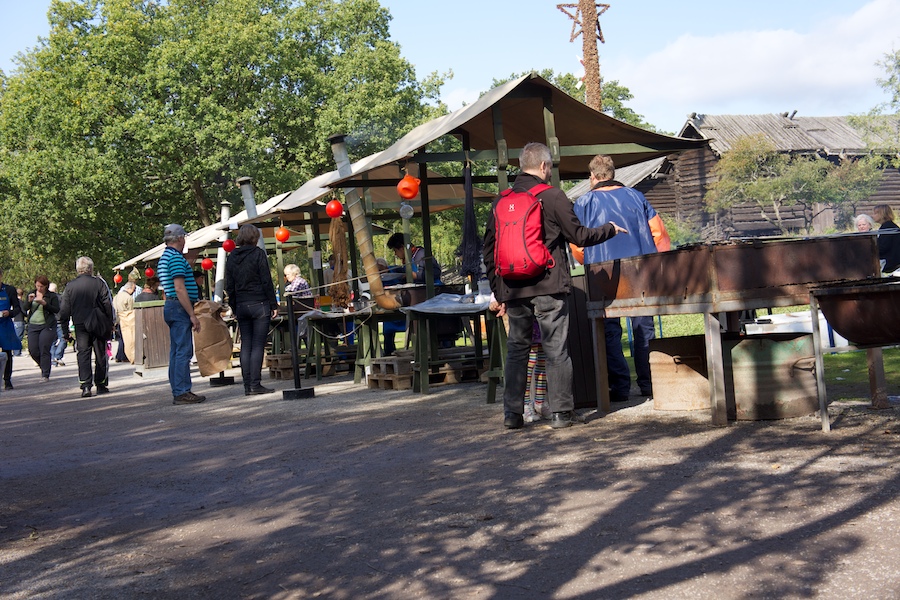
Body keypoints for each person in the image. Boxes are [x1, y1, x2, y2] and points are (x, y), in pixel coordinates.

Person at [483, 142, 624, 430]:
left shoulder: (501, 201)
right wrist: (609, 229)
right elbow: (579, 236)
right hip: (548, 285)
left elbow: (489, 250)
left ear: (522, 165)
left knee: (517, 350)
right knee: (555, 349)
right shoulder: (553, 196)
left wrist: (500, 293)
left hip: (513, 288)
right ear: (545, 166)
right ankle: (561, 413)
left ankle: (513, 415)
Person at [573, 154, 671, 402]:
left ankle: (620, 388)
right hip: (640, 272)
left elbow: (577, 246)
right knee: (644, 329)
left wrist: (589, 263)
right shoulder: (638, 197)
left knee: (609, 331)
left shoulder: (584, 203)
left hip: (602, 274)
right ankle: (649, 384)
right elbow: (659, 236)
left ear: (592, 177)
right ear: (613, 174)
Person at [225, 224, 279, 396]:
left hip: (241, 304)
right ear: (255, 237)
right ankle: (255, 384)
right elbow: (266, 280)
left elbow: (229, 285)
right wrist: (273, 304)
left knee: (245, 344)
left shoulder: (232, 256)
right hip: (259, 303)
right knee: (257, 345)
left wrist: (233, 305)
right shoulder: (258, 254)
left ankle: (247, 385)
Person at [158, 224, 206, 405]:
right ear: (179, 239)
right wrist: (192, 314)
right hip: (179, 308)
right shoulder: (176, 258)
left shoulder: (166, 257)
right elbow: (179, 287)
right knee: (183, 351)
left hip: (171, 307)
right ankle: (182, 391)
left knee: (176, 351)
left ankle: (179, 389)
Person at [58, 257, 114, 398]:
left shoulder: (70, 286)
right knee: (100, 353)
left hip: (80, 324)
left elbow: (64, 310)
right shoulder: (99, 283)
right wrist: (110, 322)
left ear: (78, 269)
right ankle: (101, 384)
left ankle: (86, 385)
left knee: (83, 354)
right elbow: (107, 303)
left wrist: (65, 330)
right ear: (90, 269)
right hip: (98, 322)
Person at [26, 275, 61, 382]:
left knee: (44, 347)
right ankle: (44, 365)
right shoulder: (31, 293)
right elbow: (24, 308)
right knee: (33, 350)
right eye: (37, 286)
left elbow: (56, 309)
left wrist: (45, 304)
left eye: (41, 286)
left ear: (46, 286)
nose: (39, 288)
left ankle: (45, 374)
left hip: (47, 325)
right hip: (33, 325)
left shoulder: (52, 296)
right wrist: (29, 302)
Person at [0, 268, 24, 389]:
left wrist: (8, 313)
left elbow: (17, 309)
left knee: (7, 353)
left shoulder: (9, 290)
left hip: (5, 325)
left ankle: (7, 380)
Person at [524, 320, 550, 423]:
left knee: (542, 360)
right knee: (530, 361)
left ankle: (540, 401)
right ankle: (526, 404)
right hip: (529, 319)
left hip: (542, 319)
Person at [873, 204, 900, 275]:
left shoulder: (887, 228)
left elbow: (883, 247)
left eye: (875, 213)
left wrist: (871, 252)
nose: (873, 216)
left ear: (882, 214)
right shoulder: (887, 226)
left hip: (891, 263)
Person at [113, 281, 136, 362]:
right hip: (126, 320)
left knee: (120, 338)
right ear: (129, 288)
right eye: (133, 289)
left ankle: (119, 356)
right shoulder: (128, 298)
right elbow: (131, 310)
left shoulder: (116, 296)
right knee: (127, 339)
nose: (133, 291)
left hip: (117, 319)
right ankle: (124, 356)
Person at [48, 283, 67, 366]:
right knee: (63, 339)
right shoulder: (60, 297)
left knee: (52, 341)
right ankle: (58, 356)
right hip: (59, 320)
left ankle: (53, 358)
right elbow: (64, 309)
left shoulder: (47, 298)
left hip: (50, 321)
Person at [13, 288, 25, 356]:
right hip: (20, 320)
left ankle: (16, 351)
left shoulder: (13, 302)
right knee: (19, 337)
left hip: (15, 320)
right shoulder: (20, 302)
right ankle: (16, 352)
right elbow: (23, 310)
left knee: (16, 336)